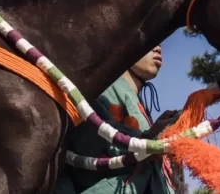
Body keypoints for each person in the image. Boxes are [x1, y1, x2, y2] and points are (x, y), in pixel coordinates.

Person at [55, 45, 185, 194]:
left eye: (161, 45)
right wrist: (149, 138)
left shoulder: (141, 106)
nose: (158, 49)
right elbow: (87, 138)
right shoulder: (99, 86)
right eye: (151, 43)